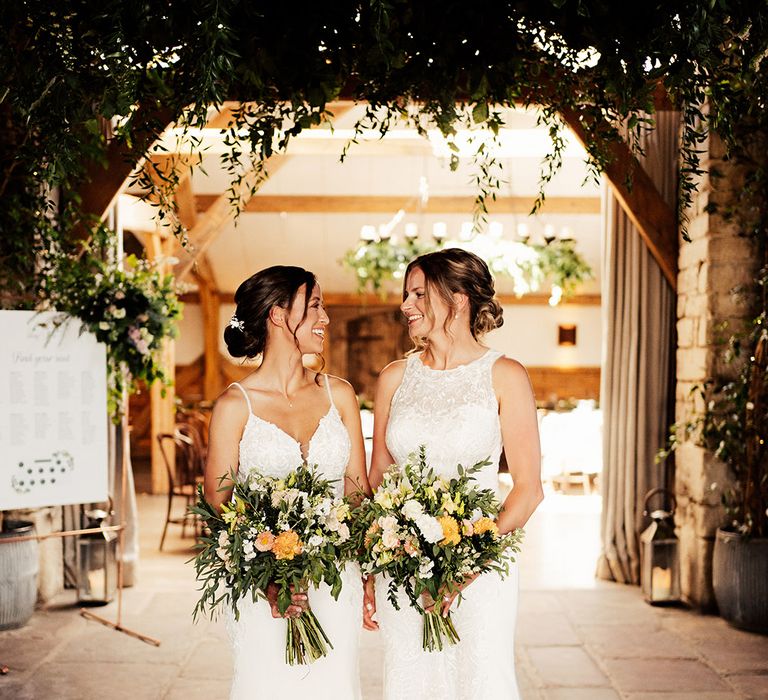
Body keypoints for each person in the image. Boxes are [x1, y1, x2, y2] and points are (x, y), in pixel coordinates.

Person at [368, 248, 544, 700]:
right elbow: (378, 478)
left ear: (458, 298)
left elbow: (528, 490)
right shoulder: (392, 378)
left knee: (479, 680)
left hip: (481, 571)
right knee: (409, 681)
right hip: (402, 568)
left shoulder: (505, 375)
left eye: (418, 293)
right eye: (405, 294)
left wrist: (467, 562)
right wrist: (373, 566)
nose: (405, 305)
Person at [204, 265, 377, 699]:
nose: (325, 319)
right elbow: (218, 502)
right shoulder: (234, 405)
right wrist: (269, 576)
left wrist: (368, 568)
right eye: (315, 305)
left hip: (336, 583)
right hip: (264, 590)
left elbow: (357, 491)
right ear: (279, 315)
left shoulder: (340, 395)